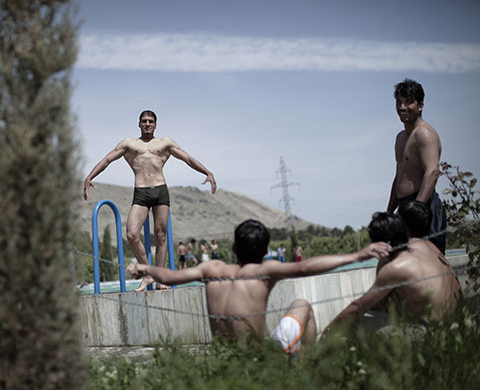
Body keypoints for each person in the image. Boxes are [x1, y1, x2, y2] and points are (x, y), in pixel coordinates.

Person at [127, 219, 390, 353]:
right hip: (259, 356)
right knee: (302, 306)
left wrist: (146, 268)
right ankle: (304, 371)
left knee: (298, 306)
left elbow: (170, 277)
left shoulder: (212, 270)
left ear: (232, 248)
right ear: (266, 251)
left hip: (225, 357)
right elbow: (305, 266)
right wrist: (357, 256)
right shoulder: (265, 271)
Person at [83, 110, 217, 291]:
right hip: (141, 193)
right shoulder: (129, 144)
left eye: (151, 121)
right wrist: (90, 177)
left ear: (155, 124)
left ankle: (161, 280)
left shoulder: (165, 143)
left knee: (161, 237)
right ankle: (149, 274)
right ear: (139, 124)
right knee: (131, 234)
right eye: (144, 121)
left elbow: (187, 158)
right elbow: (107, 159)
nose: (147, 124)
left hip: (160, 190)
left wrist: (207, 172)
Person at [324, 210, 460, 336]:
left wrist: (327, 331)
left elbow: (358, 307)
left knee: (352, 322)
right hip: (452, 326)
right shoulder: (425, 247)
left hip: (429, 333)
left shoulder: (395, 268)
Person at [386, 79, 446, 254]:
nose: (402, 107)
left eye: (408, 102)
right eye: (399, 102)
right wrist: (390, 211)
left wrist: (416, 210)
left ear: (420, 105)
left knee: (431, 267)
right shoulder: (400, 138)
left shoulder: (425, 133)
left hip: (424, 207)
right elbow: (399, 177)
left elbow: (432, 172)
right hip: (405, 208)